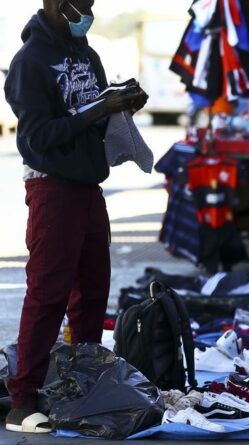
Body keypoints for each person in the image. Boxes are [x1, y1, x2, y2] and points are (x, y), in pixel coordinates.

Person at [2, 0, 147, 433]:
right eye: (81, 3)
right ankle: (21, 403)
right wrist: (97, 111)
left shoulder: (86, 54)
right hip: (52, 188)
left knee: (92, 292)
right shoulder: (29, 63)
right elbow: (38, 138)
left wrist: (122, 104)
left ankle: (83, 385)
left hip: (88, 188)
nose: (88, 10)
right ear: (54, 3)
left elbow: (93, 121)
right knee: (47, 293)